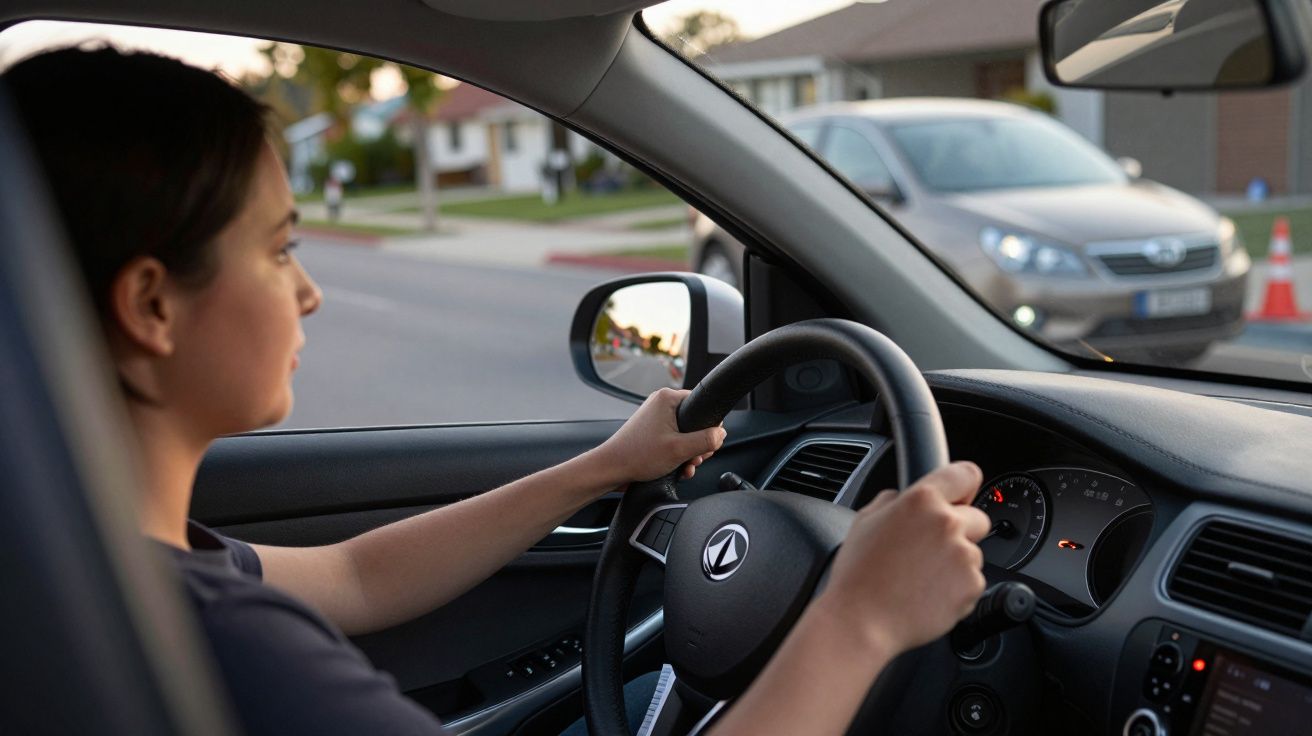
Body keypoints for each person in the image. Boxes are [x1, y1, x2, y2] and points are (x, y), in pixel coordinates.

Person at [4, 46, 989, 735]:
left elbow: (357, 578)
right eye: (279, 249)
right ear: (151, 306)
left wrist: (605, 467)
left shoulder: (106, 569)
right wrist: (860, 618)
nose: (307, 291)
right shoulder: (217, 640)